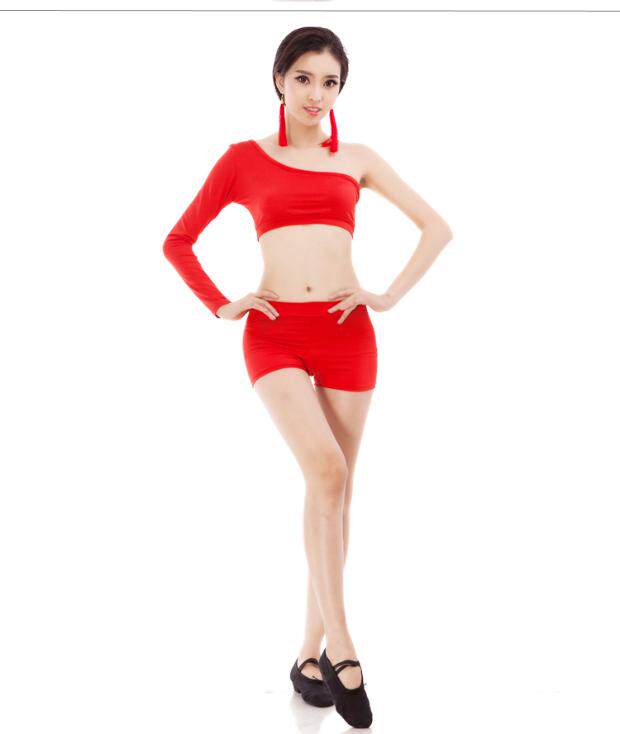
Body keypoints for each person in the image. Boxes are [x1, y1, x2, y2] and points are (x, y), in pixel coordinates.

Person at [163, 26, 453, 728]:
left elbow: (436, 228)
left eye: (330, 82)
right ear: (279, 80)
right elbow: (178, 239)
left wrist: (386, 295)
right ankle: (344, 648)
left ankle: (306, 656)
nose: (316, 94)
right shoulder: (243, 159)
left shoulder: (358, 159)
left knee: (337, 492)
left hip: (349, 332)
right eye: (304, 79)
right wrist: (222, 303)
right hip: (275, 332)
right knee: (325, 471)